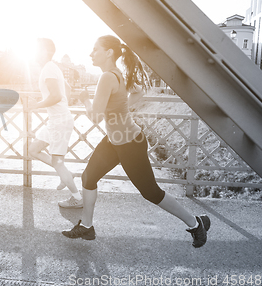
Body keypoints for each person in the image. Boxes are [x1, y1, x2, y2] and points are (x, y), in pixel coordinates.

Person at [62, 35, 210, 247]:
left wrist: (84, 99)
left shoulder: (107, 77)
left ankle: (196, 223)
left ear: (109, 52)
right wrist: (122, 111)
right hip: (116, 140)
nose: (90, 53)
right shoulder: (116, 74)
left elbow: (95, 117)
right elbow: (138, 92)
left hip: (129, 142)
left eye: (95, 49)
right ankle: (86, 226)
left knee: (150, 192)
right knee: (89, 177)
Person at [28, 38, 82, 208]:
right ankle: (67, 174)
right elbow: (68, 90)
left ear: (44, 51)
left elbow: (56, 96)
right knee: (33, 149)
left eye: (36, 49)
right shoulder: (53, 67)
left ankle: (77, 199)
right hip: (57, 120)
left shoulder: (49, 69)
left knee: (58, 162)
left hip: (59, 122)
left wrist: (35, 105)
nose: (34, 53)